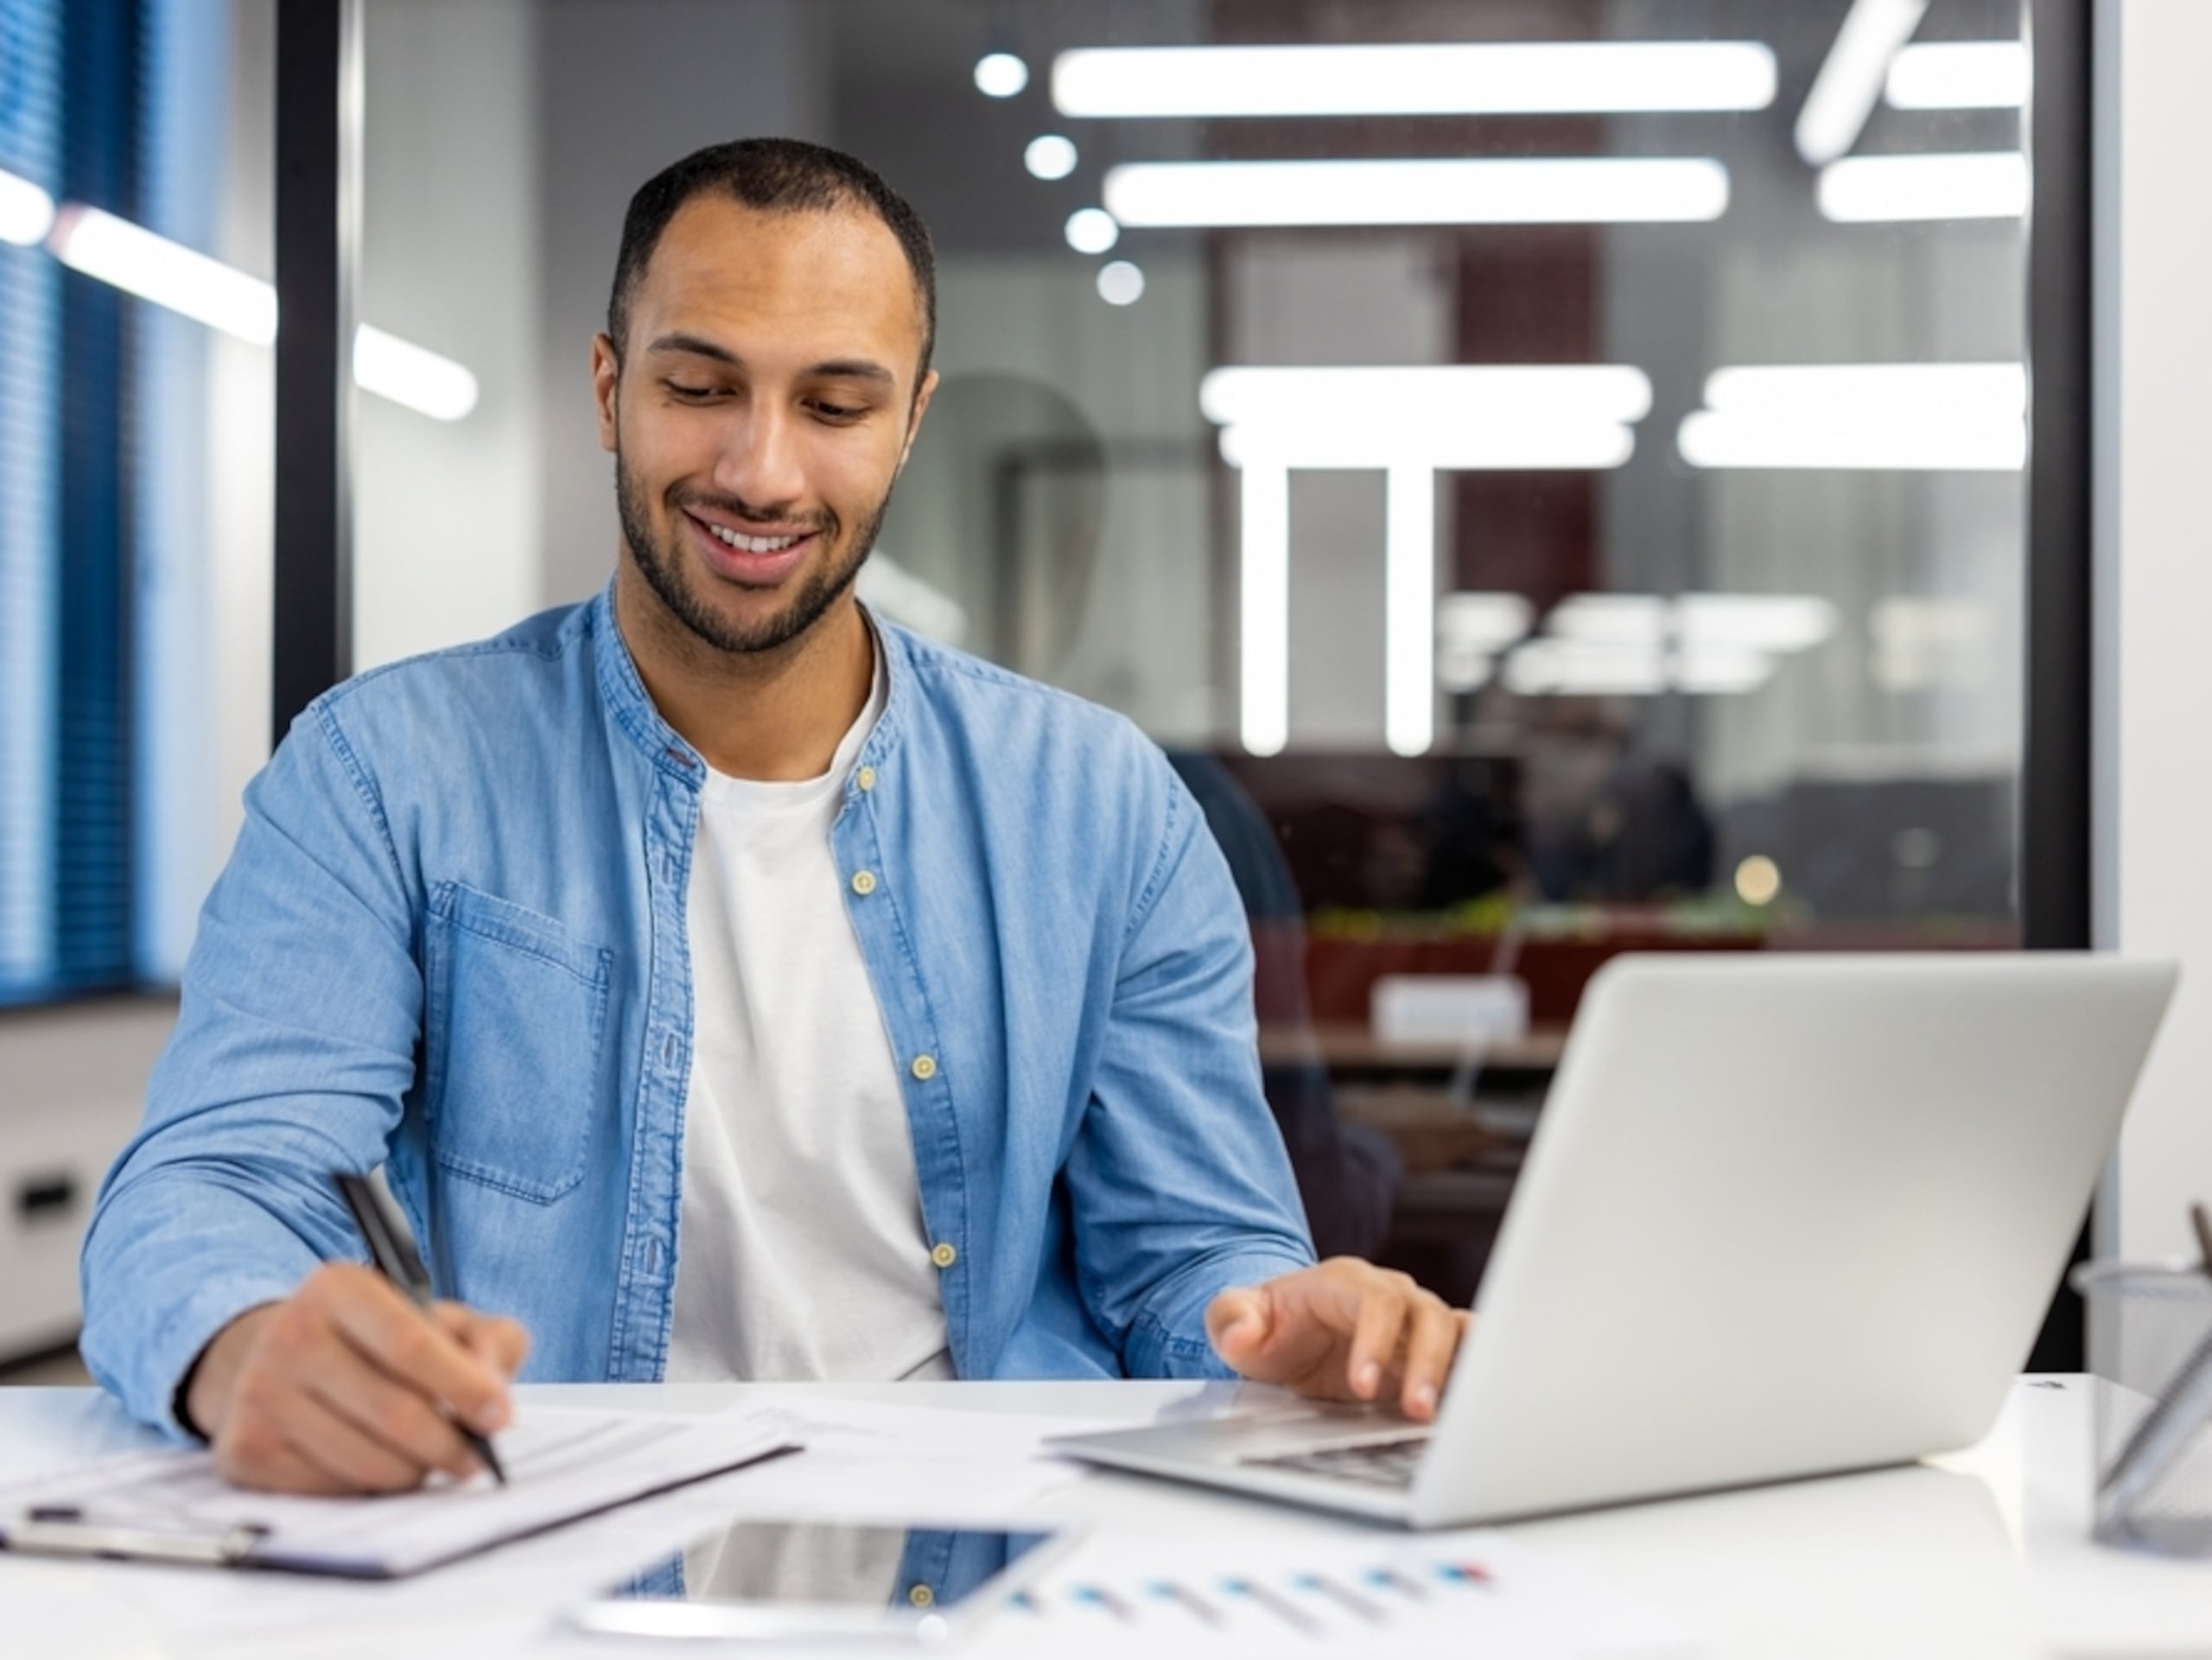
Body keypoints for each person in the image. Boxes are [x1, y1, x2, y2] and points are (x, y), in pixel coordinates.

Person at [79, 138, 1462, 1496]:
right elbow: (216, 1178)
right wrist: (242, 1338)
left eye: (835, 406)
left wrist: (1286, 1331)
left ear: (913, 420)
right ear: (610, 385)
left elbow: (1191, 1258)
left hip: (979, 1588)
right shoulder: (384, 773)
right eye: (700, 384)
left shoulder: (1105, 813)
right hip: (530, 1582)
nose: (761, 470)